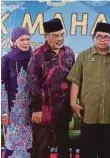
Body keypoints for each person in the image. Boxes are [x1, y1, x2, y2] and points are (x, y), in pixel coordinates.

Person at [67, 22, 110, 158]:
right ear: (93, 38)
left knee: (108, 152)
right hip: (88, 113)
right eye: (99, 36)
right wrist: (73, 103)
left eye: (106, 37)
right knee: (87, 152)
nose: (102, 40)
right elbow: (75, 81)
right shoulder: (84, 56)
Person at [27, 18, 75, 158]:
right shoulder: (37, 56)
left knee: (63, 146)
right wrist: (37, 109)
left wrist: (73, 103)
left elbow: (74, 80)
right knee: (41, 148)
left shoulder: (69, 52)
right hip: (44, 110)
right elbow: (33, 84)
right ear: (46, 36)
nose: (60, 39)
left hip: (63, 110)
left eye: (62, 35)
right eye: (55, 36)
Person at [1, 27, 33, 158]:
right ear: (14, 41)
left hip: (31, 111)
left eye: (28, 39)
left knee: (29, 145)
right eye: (22, 39)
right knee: (12, 145)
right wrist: (3, 112)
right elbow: (2, 86)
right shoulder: (7, 59)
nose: (25, 42)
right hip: (13, 113)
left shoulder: (35, 57)